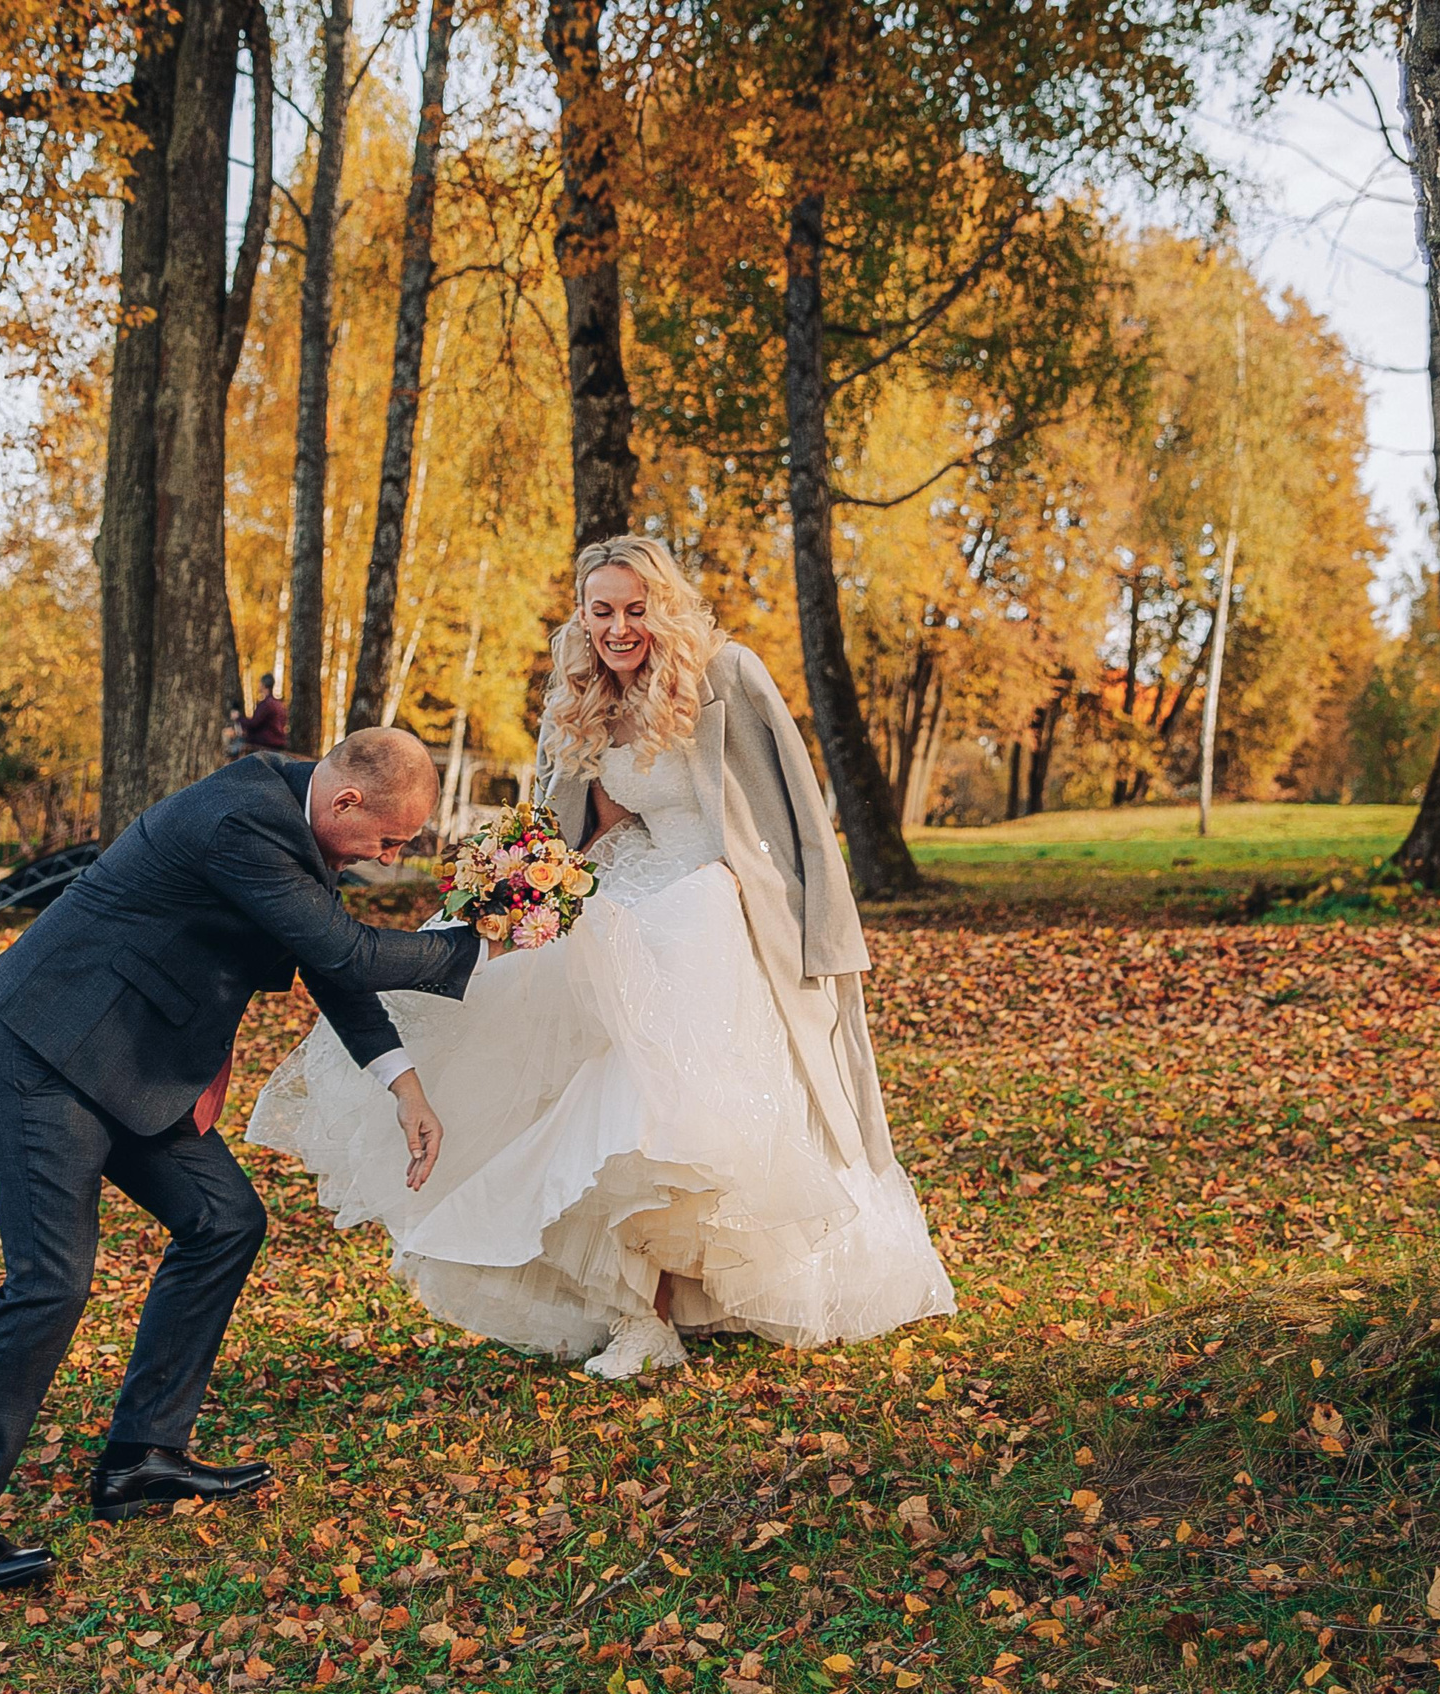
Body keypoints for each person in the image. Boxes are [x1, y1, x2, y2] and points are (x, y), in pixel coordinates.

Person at [247, 536, 953, 1380]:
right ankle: (638, 1313)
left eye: (636, 609)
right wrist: (520, 886)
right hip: (629, 883)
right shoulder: (581, 694)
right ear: (582, 614)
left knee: (663, 1091)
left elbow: (795, 813)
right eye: (602, 610)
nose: (619, 628)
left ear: (665, 607)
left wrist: (818, 930)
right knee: (569, 1044)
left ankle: (673, 1306)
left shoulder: (728, 675)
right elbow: (589, 825)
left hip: (720, 895)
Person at [0, 729, 507, 1593]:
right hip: (44, 1052)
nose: (391, 857)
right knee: (50, 1282)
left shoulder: (298, 821)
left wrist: (405, 1088)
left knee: (224, 1222)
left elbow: (329, 966)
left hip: (135, 1064)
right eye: (389, 839)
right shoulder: (243, 821)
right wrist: (481, 947)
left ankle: (141, 1459)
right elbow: (350, 952)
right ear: (347, 800)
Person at [229, 674, 289, 758]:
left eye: (260, 683)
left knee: (236, 744)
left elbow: (254, 723)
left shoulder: (266, 704)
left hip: (266, 742)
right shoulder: (279, 704)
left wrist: (238, 718)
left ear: (263, 685)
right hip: (278, 742)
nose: (259, 685)